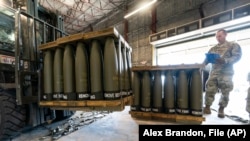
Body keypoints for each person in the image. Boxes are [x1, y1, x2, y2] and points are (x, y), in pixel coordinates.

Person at [203, 29, 242, 118]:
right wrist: (201, 66)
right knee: (209, 90)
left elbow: (237, 56)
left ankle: (221, 109)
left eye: (220, 36)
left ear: (225, 35)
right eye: (216, 36)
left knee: (225, 91)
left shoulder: (232, 45)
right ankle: (207, 107)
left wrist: (225, 60)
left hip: (226, 73)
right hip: (214, 72)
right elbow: (207, 59)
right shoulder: (213, 48)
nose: (218, 38)